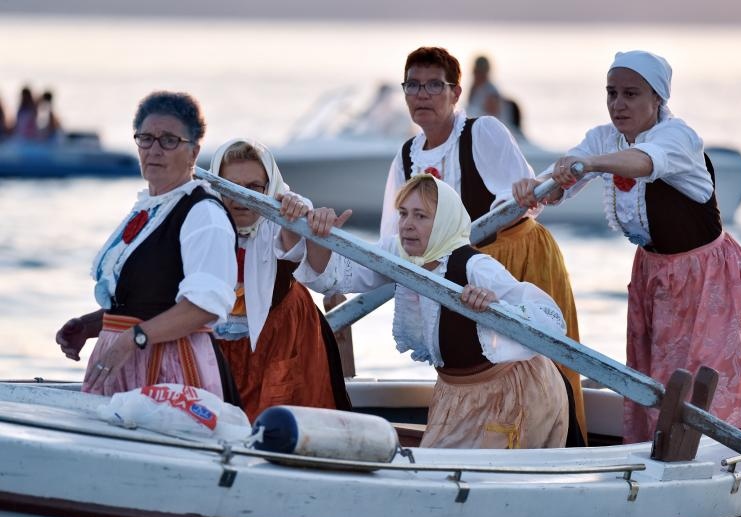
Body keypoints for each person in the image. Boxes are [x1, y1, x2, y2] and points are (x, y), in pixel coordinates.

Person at [512, 50, 741, 444]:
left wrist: (589, 165)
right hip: (653, 273)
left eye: (630, 94)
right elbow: (564, 175)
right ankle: (658, 445)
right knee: (658, 372)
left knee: (706, 372)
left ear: (656, 99)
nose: (618, 104)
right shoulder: (603, 138)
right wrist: (533, 187)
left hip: (706, 274)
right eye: (612, 93)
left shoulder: (678, 136)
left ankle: (723, 447)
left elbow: (644, 162)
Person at [381, 46, 586, 444]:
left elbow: (528, 201)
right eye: (413, 85)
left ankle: (566, 447)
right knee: (475, 363)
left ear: (456, 93)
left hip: (517, 255)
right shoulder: (406, 156)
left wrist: (529, 193)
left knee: (548, 359)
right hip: (458, 273)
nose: (422, 95)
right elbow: (394, 238)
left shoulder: (483, 131)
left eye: (433, 85)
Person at [299, 174, 569, 449]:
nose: (407, 225)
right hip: (454, 393)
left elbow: (551, 318)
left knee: (484, 482)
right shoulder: (400, 253)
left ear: (443, 223)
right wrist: (319, 237)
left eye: (421, 216)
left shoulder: (476, 267)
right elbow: (339, 276)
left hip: (512, 393)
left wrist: (496, 306)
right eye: (403, 214)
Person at [55, 91, 238, 401]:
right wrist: (91, 325)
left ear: (193, 152)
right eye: (146, 139)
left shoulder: (204, 215)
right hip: (125, 361)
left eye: (169, 140)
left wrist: (132, 340)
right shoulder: (150, 210)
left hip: (171, 370)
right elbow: (149, 300)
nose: (155, 150)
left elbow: (204, 307)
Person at [209, 138, 351, 421]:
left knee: (282, 424)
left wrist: (305, 225)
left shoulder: (287, 209)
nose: (242, 198)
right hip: (217, 343)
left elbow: (300, 255)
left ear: (268, 186)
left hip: (282, 340)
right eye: (231, 187)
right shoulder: (201, 217)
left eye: (253, 188)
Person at [466, 55, 521, 130]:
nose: (476, 74)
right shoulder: (474, 88)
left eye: (480, 72)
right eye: (476, 71)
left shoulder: (490, 92)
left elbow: (493, 121)